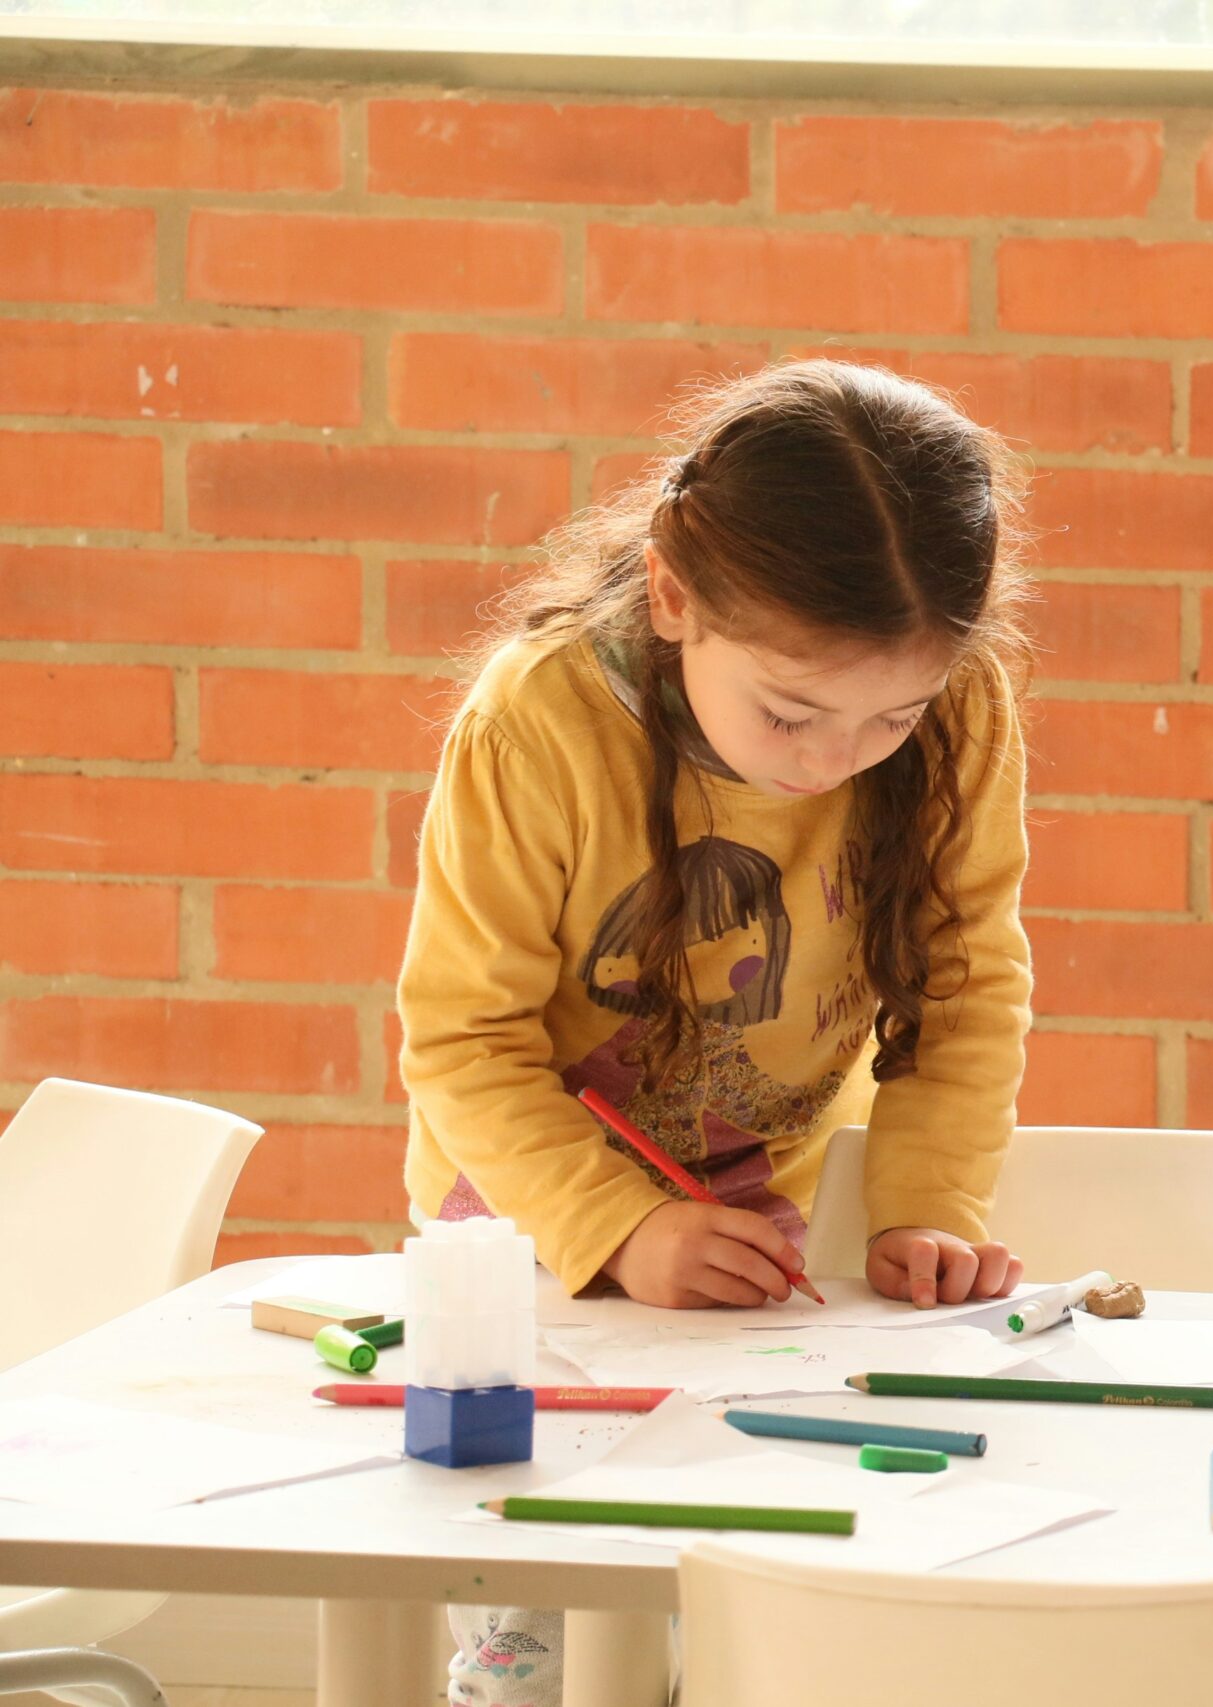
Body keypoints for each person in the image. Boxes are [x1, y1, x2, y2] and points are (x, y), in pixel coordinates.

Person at [399, 360, 1034, 1705]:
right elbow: (460, 1038)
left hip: (763, 1242)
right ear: (675, 590)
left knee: (761, 1612)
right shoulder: (539, 723)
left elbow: (967, 985)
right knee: (545, 1635)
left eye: (894, 718)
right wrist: (622, 1230)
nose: (832, 761)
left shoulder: (963, 715)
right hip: (533, 1251)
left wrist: (925, 1205)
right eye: (792, 713)